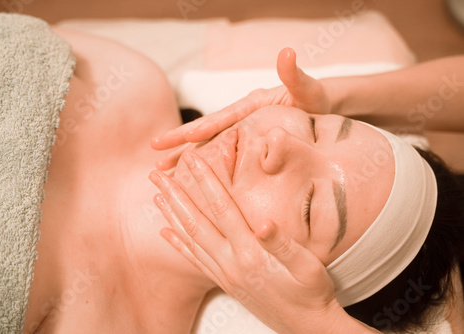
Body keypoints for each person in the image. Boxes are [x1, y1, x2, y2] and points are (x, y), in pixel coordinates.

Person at [150, 48, 464, 333]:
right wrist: (331, 98)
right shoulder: (141, 86)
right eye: (317, 128)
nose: (279, 140)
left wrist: (316, 322)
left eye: (310, 207)